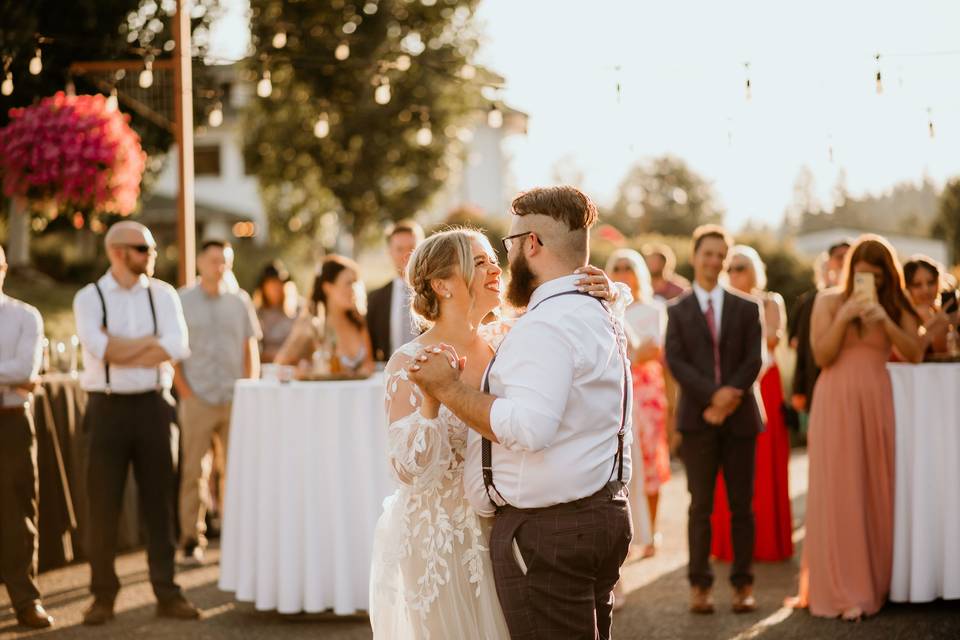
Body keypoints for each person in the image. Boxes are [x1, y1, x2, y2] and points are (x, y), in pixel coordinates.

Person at [408, 186, 634, 638]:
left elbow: (530, 428)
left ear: (532, 243)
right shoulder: (598, 310)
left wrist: (447, 388)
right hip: (597, 515)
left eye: (506, 247)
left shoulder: (546, 324)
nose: (500, 263)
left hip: (551, 533)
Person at [791, 235, 924, 621]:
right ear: (851, 271)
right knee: (839, 490)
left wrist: (886, 320)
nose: (872, 284)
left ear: (887, 277)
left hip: (878, 403)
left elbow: (914, 353)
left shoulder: (895, 305)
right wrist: (847, 314)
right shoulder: (829, 301)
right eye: (864, 275)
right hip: (836, 403)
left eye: (878, 278)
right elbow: (823, 355)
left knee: (877, 487)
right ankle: (840, 587)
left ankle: (879, 582)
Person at [73, 221, 199, 625]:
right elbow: (98, 347)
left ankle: (167, 592)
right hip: (105, 408)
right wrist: (150, 345)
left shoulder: (163, 295)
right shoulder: (88, 297)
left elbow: (177, 347)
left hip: (154, 408)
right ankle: (102, 596)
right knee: (102, 504)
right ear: (117, 252)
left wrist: (122, 348)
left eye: (151, 249)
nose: (152, 255)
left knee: (159, 504)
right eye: (142, 248)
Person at [664, 225, 764, 615]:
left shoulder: (747, 307)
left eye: (721, 254)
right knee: (700, 507)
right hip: (698, 418)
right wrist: (712, 396)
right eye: (707, 253)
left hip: (740, 419)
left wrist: (727, 399)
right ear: (696, 255)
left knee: (742, 506)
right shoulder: (678, 310)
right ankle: (699, 586)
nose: (714, 260)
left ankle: (743, 585)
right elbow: (676, 360)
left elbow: (753, 360)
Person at [174, 240, 261, 566]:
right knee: (194, 471)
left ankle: (234, 540)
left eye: (224, 261)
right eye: (213, 260)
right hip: (196, 396)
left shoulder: (240, 302)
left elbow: (249, 347)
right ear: (200, 262)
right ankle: (190, 540)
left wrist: (248, 388)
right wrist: (184, 390)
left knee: (235, 472)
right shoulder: (182, 300)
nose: (219, 267)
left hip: (233, 396)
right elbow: (174, 351)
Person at [710, 245, 793, 563]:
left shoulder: (770, 301)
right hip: (727, 384)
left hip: (763, 385)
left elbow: (771, 339)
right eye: (730, 268)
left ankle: (767, 542)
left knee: (763, 461)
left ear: (755, 269)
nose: (734, 273)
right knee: (726, 462)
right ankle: (729, 543)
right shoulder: (719, 304)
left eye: (741, 267)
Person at [0, 246, 54, 629]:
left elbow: (26, 367)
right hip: (12, 401)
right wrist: (15, 379)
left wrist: (21, 378)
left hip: (11, 422)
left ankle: (25, 600)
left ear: (3, 268)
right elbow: (17, 375)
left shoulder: (25, 316)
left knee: (19, 514)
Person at [606, 248, 668, 558]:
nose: (621, 272)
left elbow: (651, 352)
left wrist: (623, 353)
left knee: (650, 460)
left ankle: (652, 529)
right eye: (616, 267)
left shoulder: (653, 308)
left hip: (647, 394)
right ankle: (627, 531)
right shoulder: (605, 308)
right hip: (616, 392)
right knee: (622, 463)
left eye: (628, 266)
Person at [275, 255, 375, 376]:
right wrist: (305, 370)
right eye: (348, 283)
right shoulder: (312, 325)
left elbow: (369, 363)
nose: (354, 289)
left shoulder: (358, 322)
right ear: (328, 288)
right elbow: (281, 363)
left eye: (355, 282)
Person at [789, 240, 850, 415]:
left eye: (849, 256)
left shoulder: (867, 297)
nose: (845, 260)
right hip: (819, 379)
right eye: (840, 257)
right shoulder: (812, 300)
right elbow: (802, 347)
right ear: (830, 261)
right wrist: (799, 388)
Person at [368, 220, 425, 362]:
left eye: (412, 247)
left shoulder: (439, 292)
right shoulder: (376, 298)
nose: (407, 254)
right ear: (390, 252)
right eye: (399, 249)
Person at [903, 256, 956, 356]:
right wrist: (934, 323)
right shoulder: (904, 316)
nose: (925, 290)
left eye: (931, 282)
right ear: (907, 287)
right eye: (917, 285)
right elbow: (940, 352)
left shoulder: (941, 311)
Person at [252, 260, 298, 364]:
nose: (275, 288)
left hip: (292, 366)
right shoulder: (256, 313)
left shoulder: (298, 310)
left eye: (278, 283)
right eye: (271, 284)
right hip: (265, 367)